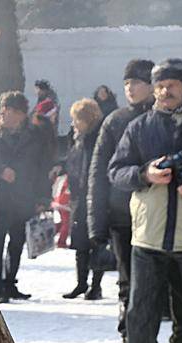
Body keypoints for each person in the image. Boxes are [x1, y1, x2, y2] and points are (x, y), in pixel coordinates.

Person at [108, 58, 182, 343]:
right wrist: (145, 174)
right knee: (140, 307)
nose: (165, 91)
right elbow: (116, 171)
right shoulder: (139, 127)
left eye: (172, 85)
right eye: (160, 86)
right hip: (148, 236)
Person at [88, 59, 158, 343]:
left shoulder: (166, 120)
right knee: (128, 285)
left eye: (137, 82)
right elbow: (98, 173)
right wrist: (96, 223)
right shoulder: (115, 121)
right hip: (122, 218)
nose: (131, 88)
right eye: (127, 82)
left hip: (161, 216)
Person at [0, 91, 54, 303]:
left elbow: (42, 168)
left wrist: (43, 198)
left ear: (21, 114)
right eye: (4, 110)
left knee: (16, 244)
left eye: (12, 111)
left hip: (24, 197)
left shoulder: (35, 136)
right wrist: (0, 171)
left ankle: (10, 284)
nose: (6, 114)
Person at [61, 99, 104, 299]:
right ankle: (81, 283)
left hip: (94, 197)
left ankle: (96, 286)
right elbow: (73, 163)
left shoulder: (96, 139)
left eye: (76, 119)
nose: (73, 123)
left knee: (95, 242)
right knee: (80, 243)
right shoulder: (77, 139)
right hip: (79, 197)